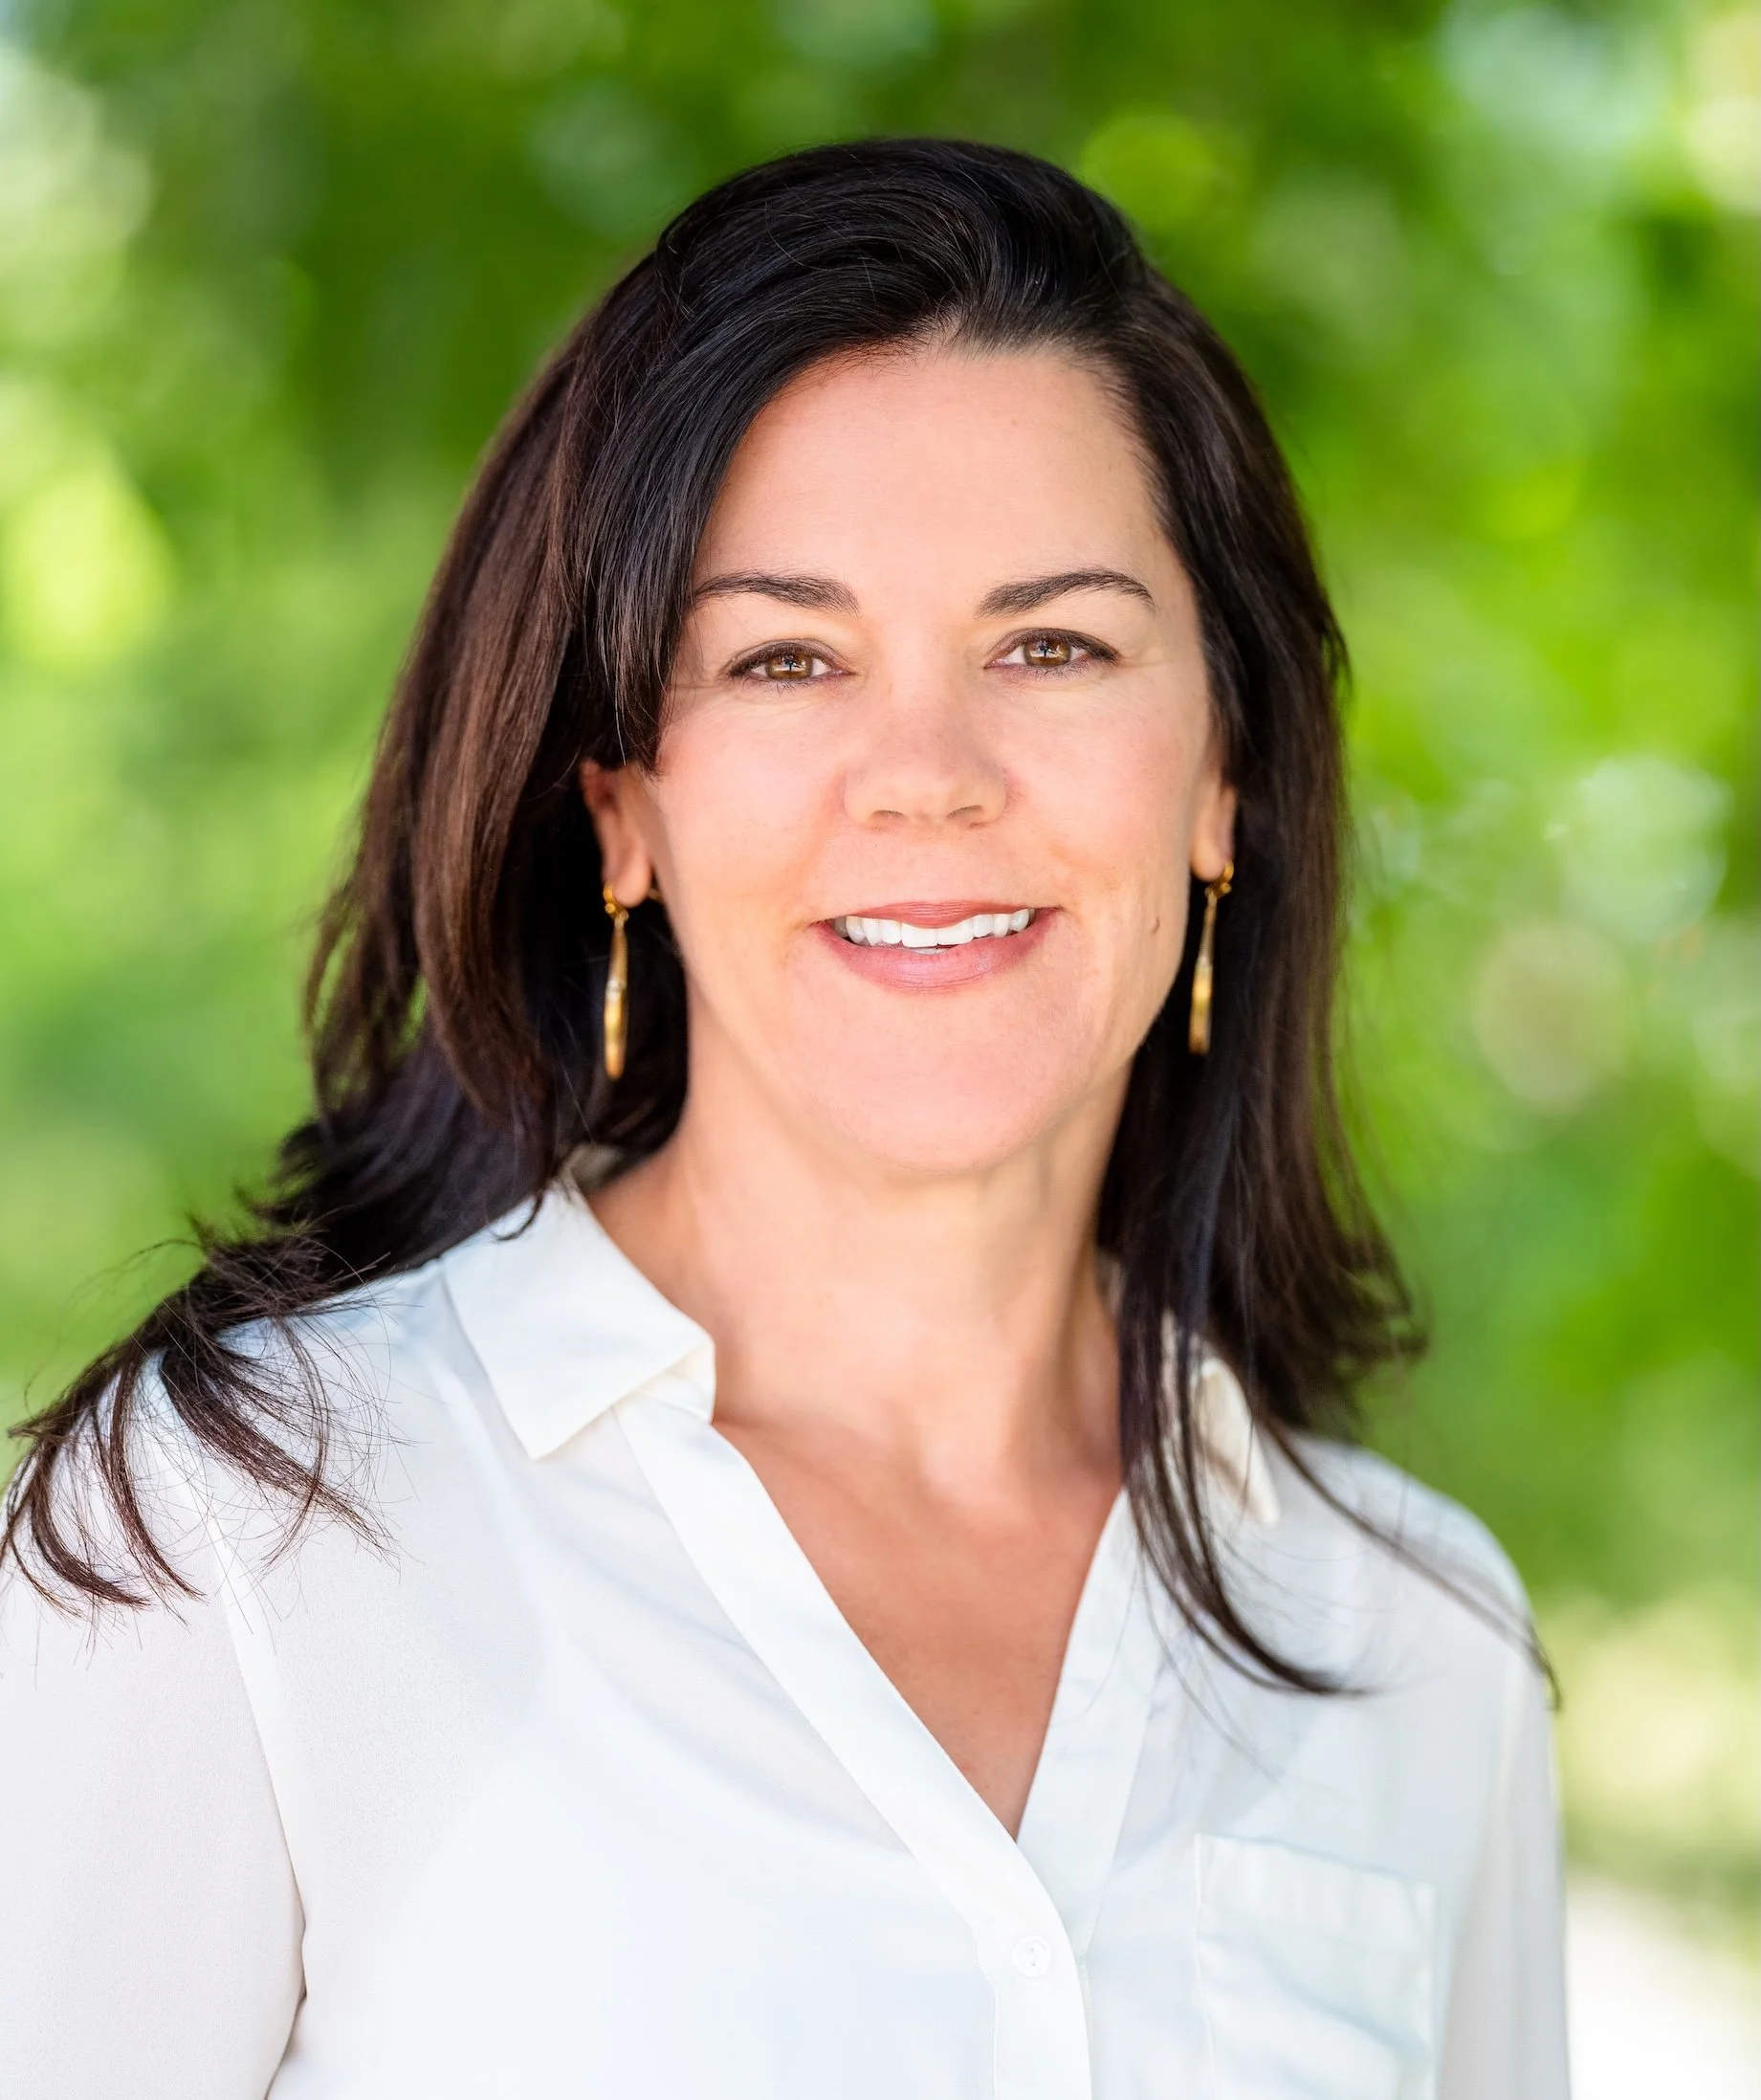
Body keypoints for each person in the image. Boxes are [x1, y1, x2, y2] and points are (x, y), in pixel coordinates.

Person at [0, 140, 1568, 2100]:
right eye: (784, 656)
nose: (924, 774)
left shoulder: (1415, 1644)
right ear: (619, 806)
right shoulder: (248, 1539)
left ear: (1220, 774)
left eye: (1052, 643)